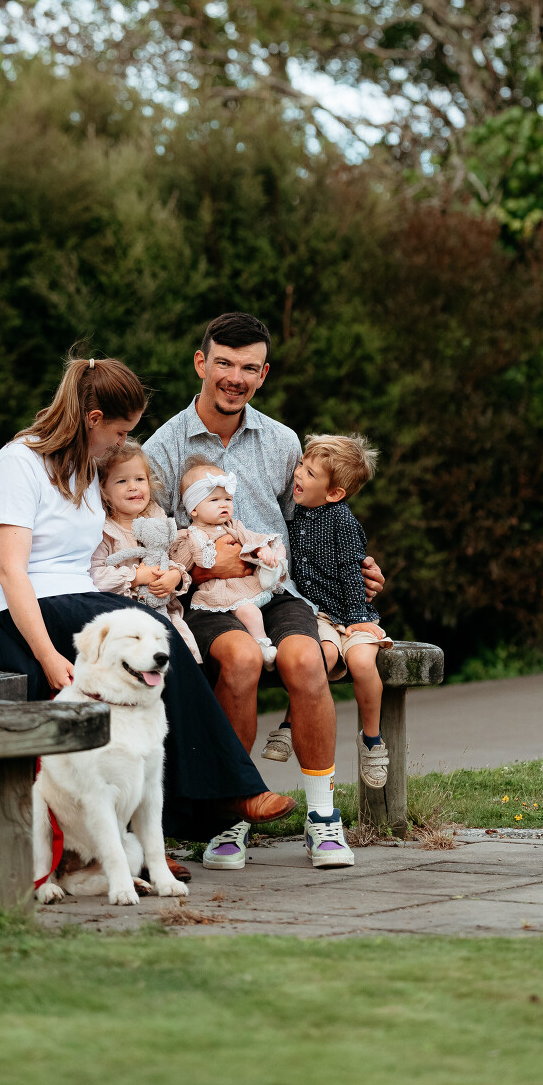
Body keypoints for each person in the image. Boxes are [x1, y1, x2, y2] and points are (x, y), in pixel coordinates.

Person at [0, 353, 294, 842]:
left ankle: (156, 832)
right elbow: (11, 573)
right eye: (121, 433)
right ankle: (225, 794)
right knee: (150, 638)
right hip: (17, 613)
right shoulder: (19, 463)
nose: (123, 444)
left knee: (152, 656)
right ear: (94, 419)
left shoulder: (83, 469)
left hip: (78, 602)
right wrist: (50, 657)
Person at [144, 312, 385, 871]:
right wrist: (206, 570)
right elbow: (150, 543)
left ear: (264, 374)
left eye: (248, 368)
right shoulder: (163, 449)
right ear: (201, 363)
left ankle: (322, 816)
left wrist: (354, 569)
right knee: (242, 658)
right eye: (224, 363)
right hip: (207, 599)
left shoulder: (280, 441)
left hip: (278, 592)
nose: (235, 378)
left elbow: (307, 525)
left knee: (304, 658)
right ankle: (233, 813)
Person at [280, 434, 392, 790]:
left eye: (310, 473)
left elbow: (350, 570)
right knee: (321, 657)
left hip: (352, 612)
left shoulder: (341, 520)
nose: (298, 474)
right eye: (301, 465)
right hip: (318, 615)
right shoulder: (295, 514)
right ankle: (289, 723)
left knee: (362, 664)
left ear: (334, 493)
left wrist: (358, 617)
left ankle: (372, 740)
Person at [89, 439, 202, 663]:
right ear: (103, 489)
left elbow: (171, 558)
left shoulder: (156, 518)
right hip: (124, 612)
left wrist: (175, 576)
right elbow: (95, 576)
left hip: (162, 609)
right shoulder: (103, 530)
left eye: (139, 479)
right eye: (122, 481)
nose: (133, 487)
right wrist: (135, 577)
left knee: (183, 652)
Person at [171, 457, 288, 669]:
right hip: (221, 590)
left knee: (277, 546)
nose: (224, 504)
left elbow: (250, 538)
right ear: (194, 509)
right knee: (249, 612)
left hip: (244, 582)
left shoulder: (233, 525)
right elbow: (180, 565)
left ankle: (271, 568)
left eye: (228, 499)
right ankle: (262, 645)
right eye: (214, 500)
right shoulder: (192, 537)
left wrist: (261, 550)